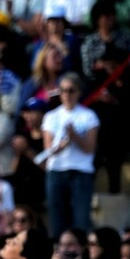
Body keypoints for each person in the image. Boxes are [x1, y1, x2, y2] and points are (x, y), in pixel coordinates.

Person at [41, 72, 99, 240]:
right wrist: (61, 145)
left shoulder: (88, 116)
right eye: (63, 90)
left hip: (81, 171)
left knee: (81, 217)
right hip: (57, 171)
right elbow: (48, 149)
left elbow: (89, 148)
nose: (66, 95)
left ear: (79, 92)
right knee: (58, 217)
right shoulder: (51, 117)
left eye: (71, 90)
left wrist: (74, 136)